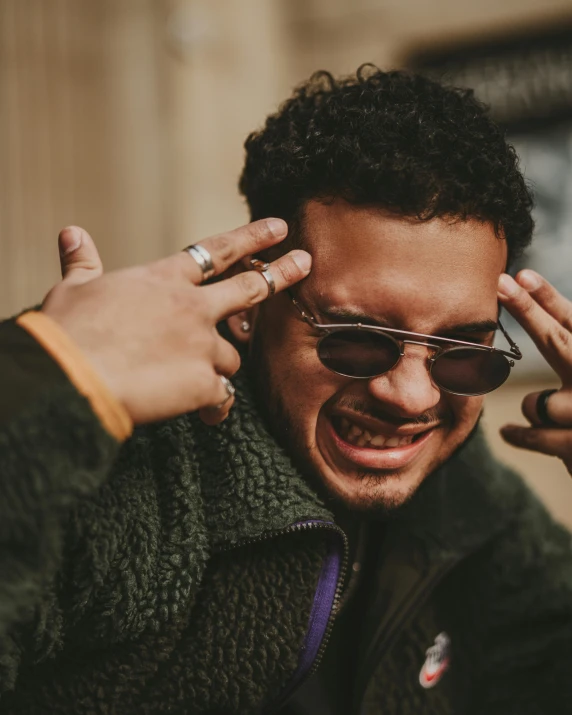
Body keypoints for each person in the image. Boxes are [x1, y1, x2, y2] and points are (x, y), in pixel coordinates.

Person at [2, 66, 572, 714]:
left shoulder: (467, 489)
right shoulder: (137, 476)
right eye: (355, 337)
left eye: (464, 353)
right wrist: (45, 386)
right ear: (254, 298)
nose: (412, 397)